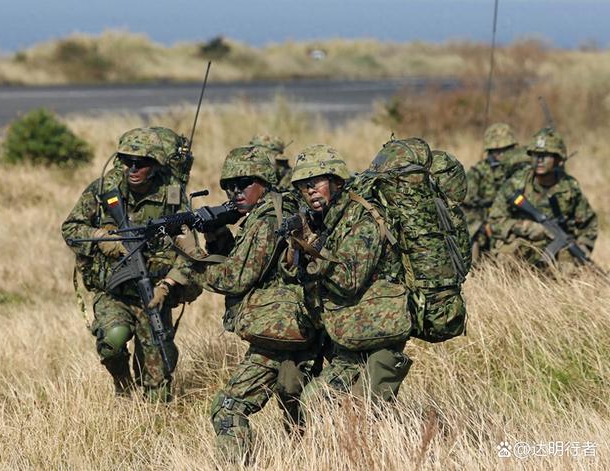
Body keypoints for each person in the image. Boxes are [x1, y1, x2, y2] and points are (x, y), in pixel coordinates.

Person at [165, 145, 317, 463]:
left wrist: (193, 254)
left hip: (281, 330)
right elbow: (250, 262)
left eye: (243, 183)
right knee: (294, 402)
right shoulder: (274, 210)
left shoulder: (267, 219)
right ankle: (313, 458)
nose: (235, 192)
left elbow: (235, 278)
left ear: (263, 181)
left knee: (228, 407)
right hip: (291, 326)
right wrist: (219, 235)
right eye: (228, 186)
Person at [61, 127, 202, 402]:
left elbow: (190, 252)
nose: (133, 168)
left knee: (160, 378)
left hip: (153, 293)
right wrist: (102, 238)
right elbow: (71, 229)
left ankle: (154, 425)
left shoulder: (171, 196)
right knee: (113, 340)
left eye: (142, 163)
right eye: (127, 161)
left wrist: (168, 283)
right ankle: (123, 385)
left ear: (156, 165)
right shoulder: (104, 189)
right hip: (113, 291)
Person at [283, 144, 412, 411]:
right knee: (315, 403)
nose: (310, 190)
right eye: (304, 185)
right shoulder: (329, 219)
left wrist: (310, 248)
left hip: (380, 332)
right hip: (350, 334)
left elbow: (348, 279)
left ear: (336, 181)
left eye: (316, 181)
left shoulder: (362, 217)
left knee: (366, 414)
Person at [488, 127, 598, 268]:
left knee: (571, 269)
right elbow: (495, 221)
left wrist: (580, 249)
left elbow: (589, 224)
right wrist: (528, 228)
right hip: (521, 247)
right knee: (507, 258)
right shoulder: (516, 184)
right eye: (535, 155)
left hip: (557, 248)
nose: (539, 160)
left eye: (546, 155)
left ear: (558, 159)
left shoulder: (569, 187)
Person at [463, 123, 530, 258]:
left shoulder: (522, 170)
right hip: (485, 224)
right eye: (496, 150)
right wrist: (481, 225)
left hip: (516, 221)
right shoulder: (478, 173)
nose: (501, 154)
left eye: (506, 149)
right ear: (489, 151)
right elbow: (463, 206)